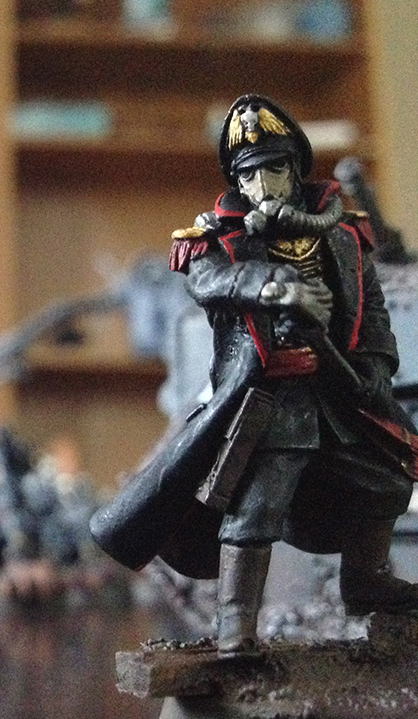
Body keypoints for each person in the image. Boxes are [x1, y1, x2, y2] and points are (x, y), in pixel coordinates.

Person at [91, 94, 418, 652]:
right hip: (271, 398)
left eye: (274, 169)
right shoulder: (217, 238)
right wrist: (272, 287)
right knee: (258, 504)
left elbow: (373, 312)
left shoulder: (344, 232)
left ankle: (364, 582)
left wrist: (374, 369)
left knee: (384, 479)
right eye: (249, 175)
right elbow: (209, 281)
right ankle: (236, 623)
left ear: (295, 168)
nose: (263, 185)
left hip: (339, 393)